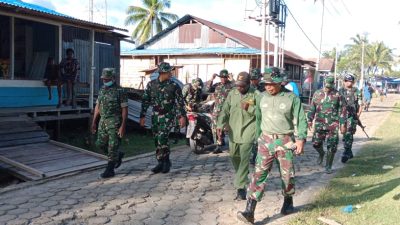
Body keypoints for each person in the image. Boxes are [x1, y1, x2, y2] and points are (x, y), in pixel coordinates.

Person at [237, 67, 307, 224]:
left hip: (285, 141)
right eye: (266, 84)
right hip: (266, 141)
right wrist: (258, 137)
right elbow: (257, 115)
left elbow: (301, 119)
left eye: (271, 84)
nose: (268, 87)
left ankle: (288, 202)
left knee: (287, 175)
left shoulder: (292, 98)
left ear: (280, 83)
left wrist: (300, 139)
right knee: (258, 174)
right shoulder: (261, 97)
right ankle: (250, 210)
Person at [216, 72, 259, 200]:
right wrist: (220, 124)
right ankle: (243, 176)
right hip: (234, 130)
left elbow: (261, 112)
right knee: (234, 156)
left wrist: (249, 109)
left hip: (248, 130)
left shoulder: (256, 94)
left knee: (244, 157)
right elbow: (225, 110)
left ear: (248, 83)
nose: (239, 88)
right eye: (237, 85)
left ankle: (240, 188)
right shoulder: (232, 93)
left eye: (242, 86)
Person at [140, 62, 186, 174]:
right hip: (155, 115)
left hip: (168, 115)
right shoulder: (151, 85)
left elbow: (180, 103)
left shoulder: (174, 86)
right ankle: (160, 161)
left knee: (163, 138)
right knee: (156, 139)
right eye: (169, 71)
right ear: (162, 73)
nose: (171, 73)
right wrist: (142, 116)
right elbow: (145, 101)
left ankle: (165, 162)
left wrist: (182, 117)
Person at [91, 68, 128, 178]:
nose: (105, 81)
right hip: (103, 121)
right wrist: (94, 122)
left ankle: (110, 169)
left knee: (112, 145)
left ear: (113, 78)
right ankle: (117, 155)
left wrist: (122, 126)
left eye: (107, 79)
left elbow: (125, 109)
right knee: (100, 144)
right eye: (104, 79)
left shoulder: (120, 91)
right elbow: (98, 106)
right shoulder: (102, 90)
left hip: (115, 121)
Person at [307, 76, 347, 174]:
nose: (328, 88)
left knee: (332, 146)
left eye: (330, 86)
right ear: (324, 84)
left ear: (333, 84)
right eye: (326, 86)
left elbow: (342, 110)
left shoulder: (338, 95)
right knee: (316, 144)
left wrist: (342, 124)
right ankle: (321, 153)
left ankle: (328, 166)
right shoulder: (317, 93)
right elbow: (312, 108)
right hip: (319, 123)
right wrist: (309, 119)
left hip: (333, 124)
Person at [206, 69, 234, 154]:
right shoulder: (217, 85)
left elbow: (238, 89)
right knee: (215, 128)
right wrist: (212, 79)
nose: (223, 79)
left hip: (228, 110)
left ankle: (232, 146)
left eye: (225, 77)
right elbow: (207, 89)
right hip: (217, 110)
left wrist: (232, 79)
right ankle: (217, 145)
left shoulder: (231, 85)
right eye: (222, 77)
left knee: (230, 128)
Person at [339, 73, 362, 163]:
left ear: (353, 82)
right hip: (342, 116)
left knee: (349, 133)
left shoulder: (356, 91)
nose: (348, 83)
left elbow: (360, 104)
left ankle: (346, 152)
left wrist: (358, 115)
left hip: (352, 116)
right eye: (347, 81)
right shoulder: (340, 91)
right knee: (344, 134)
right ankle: (349, 151)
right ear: (344, 81)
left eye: (350, 81)